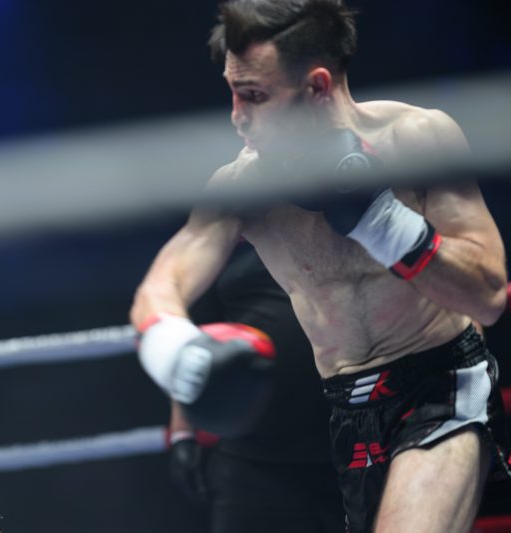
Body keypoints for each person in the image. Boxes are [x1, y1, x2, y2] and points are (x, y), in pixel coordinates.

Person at [131, 1, 511, 531]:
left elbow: (489, 296)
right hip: (348, 413)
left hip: (442, 385)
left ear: (316, 87)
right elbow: (162, 283)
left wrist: (384, 224)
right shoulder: (242, 186)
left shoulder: (415, 139)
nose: (237, 115)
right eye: (232, 91)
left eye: (254, 95)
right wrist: (176, 348)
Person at [168, 242, 344, 532]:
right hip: (251, 453)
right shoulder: (224, 230)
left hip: (353, 444)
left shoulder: (347, 223)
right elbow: (195, 340)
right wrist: (182, 433)